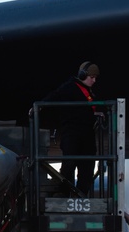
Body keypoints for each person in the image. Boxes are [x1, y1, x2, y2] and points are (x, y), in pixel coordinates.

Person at [39, 61, 102, 195]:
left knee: (87, 166)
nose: (94, 80)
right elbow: (55, 96)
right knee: (69, 164)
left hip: (87, 133)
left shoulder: (87, 91)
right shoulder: (70, 88)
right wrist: (39, 106)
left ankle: (81, 195)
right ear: (83, 75)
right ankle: (65, 195)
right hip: (72, 133)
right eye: (92, 77)